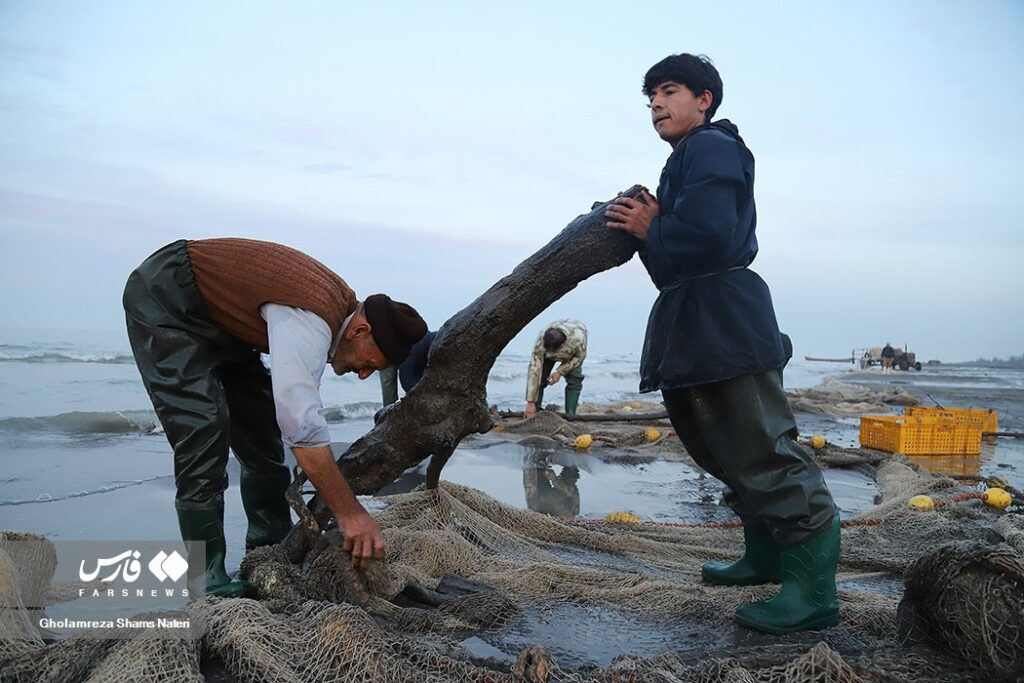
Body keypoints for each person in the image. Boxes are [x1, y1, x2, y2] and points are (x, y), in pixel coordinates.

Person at [605, 54, 839, 634]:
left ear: (704, 98)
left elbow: (708, 235)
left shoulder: (709, 146)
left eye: (669, 91)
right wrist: (653, 231)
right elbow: (670, 262)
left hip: (726, 318)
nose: (656, 104)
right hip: (693, 317)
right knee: (720, 449)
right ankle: (763, 556)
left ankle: (813, 594)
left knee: (763, 449)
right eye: (650, 97)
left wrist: (651, 227)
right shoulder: (681, 160)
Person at [123, 238, 427, 597]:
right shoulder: (311, 320)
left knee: (263, 432)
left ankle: (267, 549)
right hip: (167, 297)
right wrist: (351, 514)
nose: (363, 375)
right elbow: (302, 427)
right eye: (370, 364)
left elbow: (293, 418)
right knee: (202, 430)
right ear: (360, 331)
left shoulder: (335, 312)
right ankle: (205, 580)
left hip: (224, 324)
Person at [523, 320, 587, 418]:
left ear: (562, 345)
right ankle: (535, 411)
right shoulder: (541, 342)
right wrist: (530, 402)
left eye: (552, 350)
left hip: (572, 355)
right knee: (539, 379)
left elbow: (579, 357)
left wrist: (560, 372)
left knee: (575, 379)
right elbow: (534, 370)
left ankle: (570, 415)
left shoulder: (578, 339)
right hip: (547, 356)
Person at [380, 330, 437, 406]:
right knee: (389, 383)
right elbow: (405, 377)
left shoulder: (432, 341)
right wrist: (418, 397)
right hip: (387, 351)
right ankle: (387, 413)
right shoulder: (417, 346)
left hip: (406, 346)